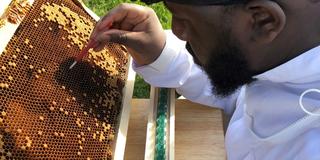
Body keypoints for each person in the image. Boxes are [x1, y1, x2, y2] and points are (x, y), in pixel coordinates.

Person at [90, 0, 320, 159]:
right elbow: (241, 89)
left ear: (263, 20)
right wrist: (161, 53)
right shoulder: (288, 50)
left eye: (184, 19)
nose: (177, 31)